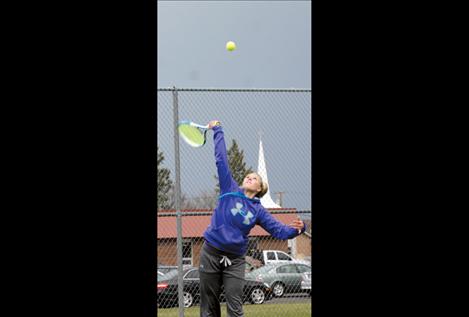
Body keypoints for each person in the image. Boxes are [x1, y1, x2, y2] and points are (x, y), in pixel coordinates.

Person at [199, 120, 306, 317]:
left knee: (235, 305)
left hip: (235, 259)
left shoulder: (259, 211)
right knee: (209, 307)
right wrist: (218, 130)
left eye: (254, 178)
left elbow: (279, 230)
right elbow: (221, 159)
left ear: (259, 189)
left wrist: (299, 229)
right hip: (210, 253)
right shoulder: (228, 189)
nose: (249, 177)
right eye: (247, 176)